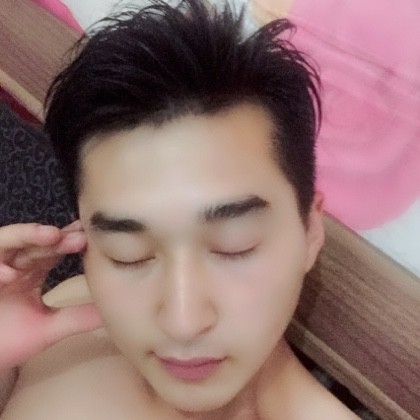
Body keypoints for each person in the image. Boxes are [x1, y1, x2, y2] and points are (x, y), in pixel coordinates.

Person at [0, 1, 358, 418]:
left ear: (310, 231)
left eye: (235, 246)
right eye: (128, 255)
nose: (182, 322)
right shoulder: (63, 316)